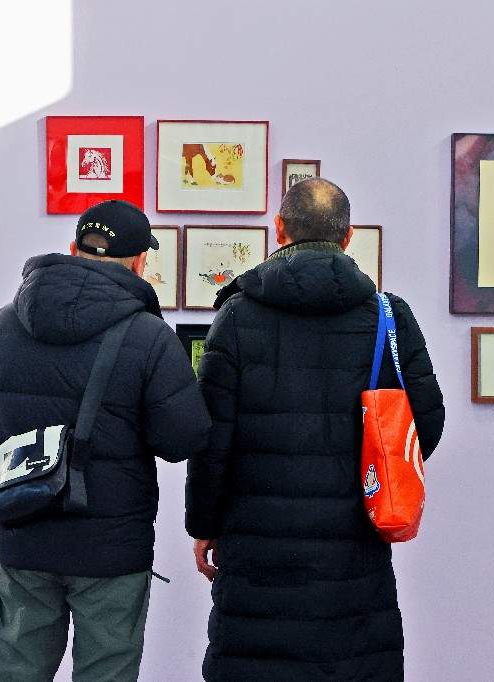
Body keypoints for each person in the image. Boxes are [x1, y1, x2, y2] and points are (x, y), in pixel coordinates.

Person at [186, 178, 445, 681]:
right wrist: (369, 470)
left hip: (256, 541)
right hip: (354, 541)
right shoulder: (387, 318)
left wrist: (204, 524)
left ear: (279, 229)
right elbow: (425, 425)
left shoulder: (236, 316)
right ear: (347, 237)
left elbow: (211, 438)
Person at [0, 200, 211, 681]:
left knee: (16, 672)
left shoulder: (6, 322)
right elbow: (181, 439)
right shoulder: (149, 336)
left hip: (21, 531)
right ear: (140, 262)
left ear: (72, 247)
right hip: (110, 545)